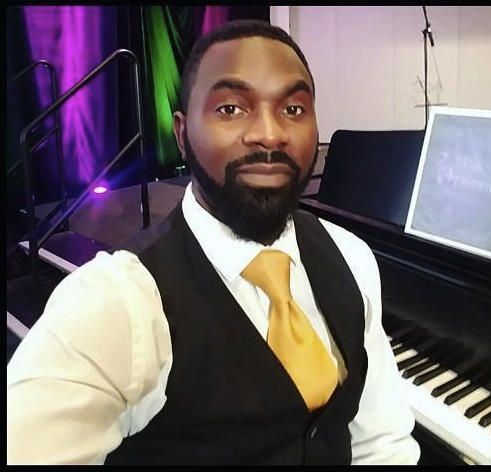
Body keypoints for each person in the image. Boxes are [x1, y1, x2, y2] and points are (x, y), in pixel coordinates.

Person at [7, 19, 420, 465]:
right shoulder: (115, 303)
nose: (270, 133)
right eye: (231, 108)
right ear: (182, 134)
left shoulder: (351, 256)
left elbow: (381, 441)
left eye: (293, 108)